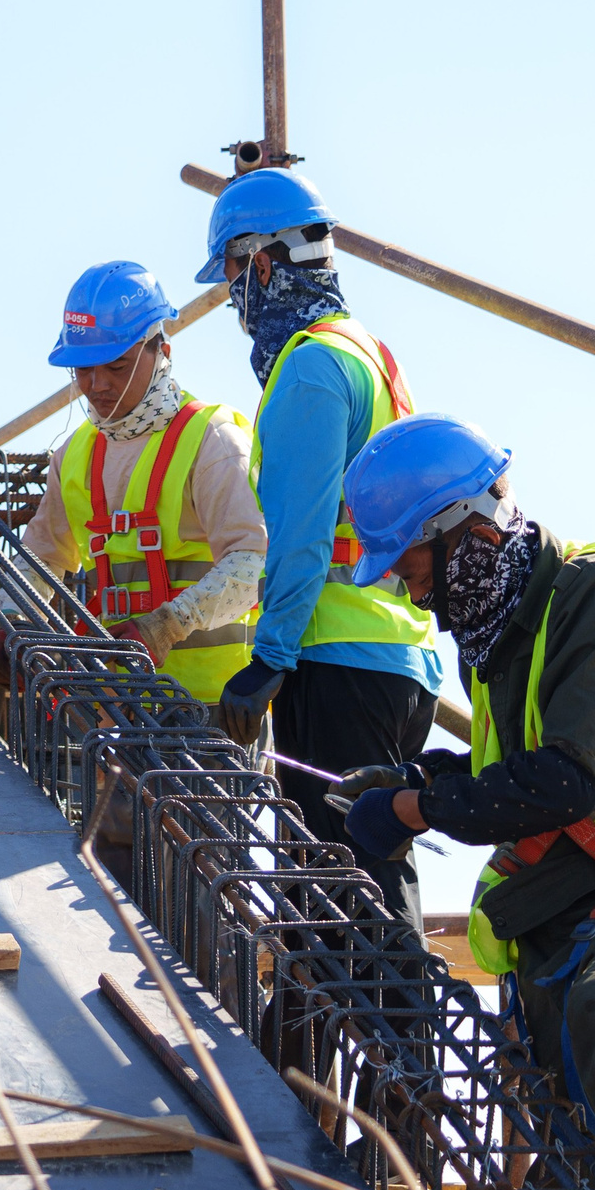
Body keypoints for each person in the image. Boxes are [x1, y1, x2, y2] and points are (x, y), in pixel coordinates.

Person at [327, 415, 595, 1190]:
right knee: (577, 1179)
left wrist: (412, 815)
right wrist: (419, 782)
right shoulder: (496, 641)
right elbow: (511, 767)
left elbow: (563, 780)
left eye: (414, 568)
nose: (414, 595)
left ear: (464, 532)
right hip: (563, 919)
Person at [196, 168, 443, 929]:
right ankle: (321, 1041)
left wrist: (270, 659)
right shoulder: (366, 352)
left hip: (335, 661)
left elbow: (300, 541)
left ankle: (395, 1044)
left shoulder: (308, 369)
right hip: (398, 661)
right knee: (362, 884)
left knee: (337, 896)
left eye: (235, 275)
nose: (235, 301)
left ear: (264, 265)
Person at [5, 261, 264, 705]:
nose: (97, 385)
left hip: (215, 710)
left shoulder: (211, 440)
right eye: (82, 369)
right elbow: (42, 558)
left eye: (117, 366)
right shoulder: (75, 455)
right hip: (121, 711)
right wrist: (9, 620)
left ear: (161, 351)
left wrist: (167, 624)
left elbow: (253, 565)